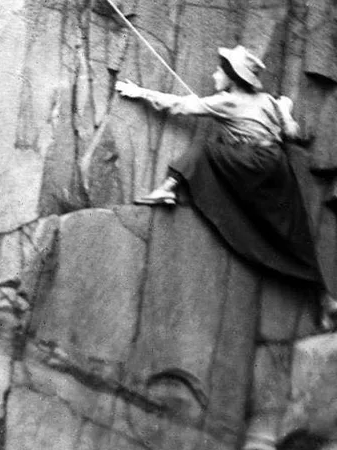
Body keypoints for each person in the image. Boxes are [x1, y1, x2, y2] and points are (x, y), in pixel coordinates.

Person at [116, 45, 337, 328]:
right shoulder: (268, 100)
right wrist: (285, 109)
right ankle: (326, 299)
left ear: (232, 76)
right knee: (292, 233)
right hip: (278, 169)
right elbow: (293, 134)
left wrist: (141, 93)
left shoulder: (227, 102)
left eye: (220, 70)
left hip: (254, 165)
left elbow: (179, 105)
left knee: (208, 148)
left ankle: (169, 187)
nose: (215, 73)